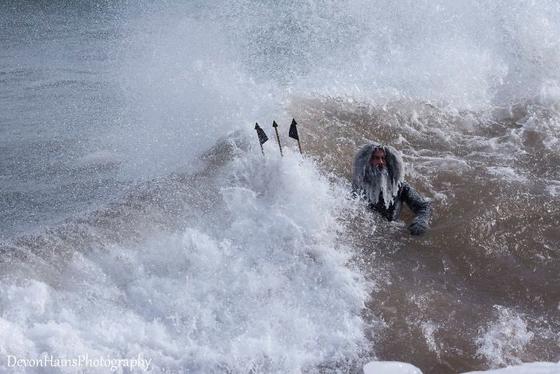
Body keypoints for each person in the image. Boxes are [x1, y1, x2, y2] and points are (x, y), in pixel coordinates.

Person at [352, 143, 432, 235]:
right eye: (376, 158)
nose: (381, 162)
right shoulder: (358, 187)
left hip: (394, 233)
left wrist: (421, 222)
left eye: (383, 158)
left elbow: (424, 206)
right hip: (368, 234)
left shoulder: (398, 187)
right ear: (367, 161)